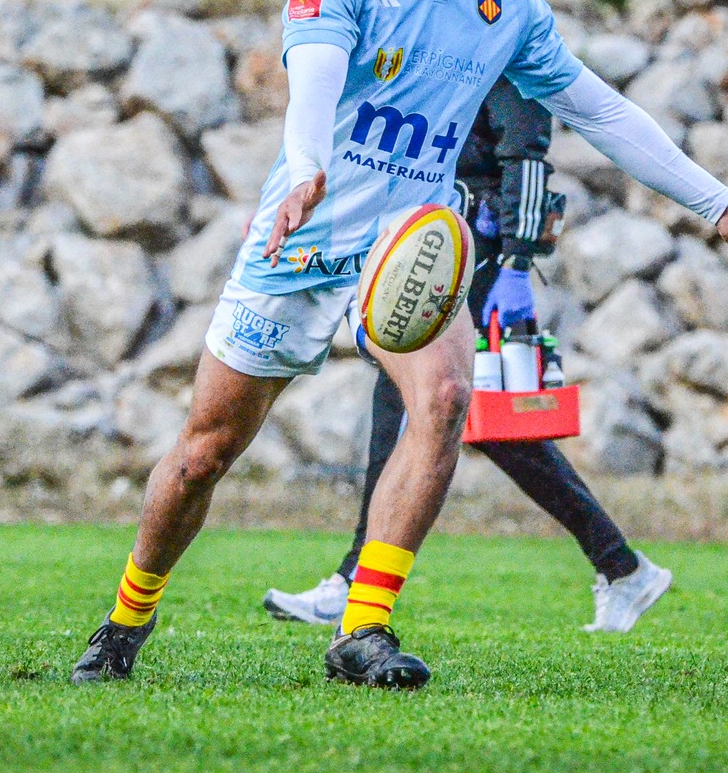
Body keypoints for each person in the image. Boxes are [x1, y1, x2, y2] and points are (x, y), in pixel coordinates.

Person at [70, 0, 728, 690]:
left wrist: (713, 200)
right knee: (203, 454)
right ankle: (125, 622)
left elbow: (597, 108)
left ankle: (364, 627)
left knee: (450, 398)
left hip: (412, 239)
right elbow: (313, 80)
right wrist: (305, 162)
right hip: (304, 232)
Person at [262, 76, 673, 634]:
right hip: (434, 232)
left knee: (414, 402)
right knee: (470, 419)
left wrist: (517, 266)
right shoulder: (449, 38)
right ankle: (620, 565)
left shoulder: (503, 31)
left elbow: (526, 154)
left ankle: (355, 580)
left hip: (472, 246)